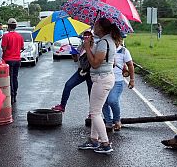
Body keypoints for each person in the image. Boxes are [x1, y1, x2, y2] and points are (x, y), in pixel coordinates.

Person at [77, 17, 119, 154]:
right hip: (103, 78)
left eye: (95, 25)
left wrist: (88, 48)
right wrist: (90, 45)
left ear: (100, 28)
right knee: (97, 110)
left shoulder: (105, 42)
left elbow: (95, 63)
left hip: (102, 79)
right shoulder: (105, 41)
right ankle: (94, 140)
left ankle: (105, 144)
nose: (93, 27)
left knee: (94, 112)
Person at [52, 29, 93, 112]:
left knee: (91, 93)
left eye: (88, 35)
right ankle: (62, 106)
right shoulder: (81, 46)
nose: (86, 37)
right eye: (85, 35)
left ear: (92, 37)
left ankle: (92, 112)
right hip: (81, 71)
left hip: (91, 72)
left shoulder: (95, 47)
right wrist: (72, 52)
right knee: (68, 85)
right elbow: (75, 60)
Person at [102, 42, 135, 131]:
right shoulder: (104, 49)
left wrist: (132, 80)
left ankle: (117, 120)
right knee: (103, 101)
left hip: (117, 81)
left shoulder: (123, 51)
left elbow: (130, 65)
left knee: (112, 100)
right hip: (104, 79)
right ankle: (108, 122)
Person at [0, 18, 24, 103]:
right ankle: (15, 95)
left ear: (8, 26)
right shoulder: (19, 36)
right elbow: (22, 48)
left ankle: (11, 95)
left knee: (9, 79)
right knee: (15, 78)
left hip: (8, 60)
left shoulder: (6, 36)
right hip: (17, 60)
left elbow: (4, 48)